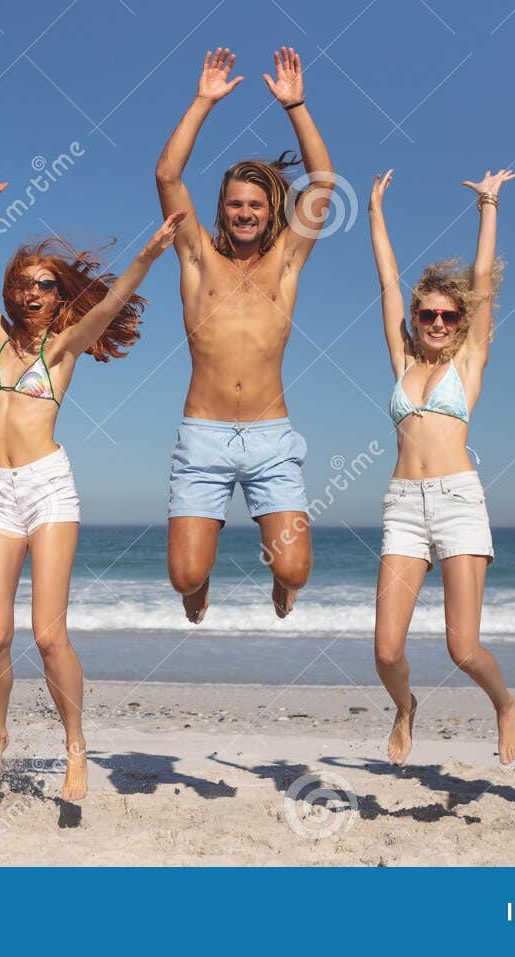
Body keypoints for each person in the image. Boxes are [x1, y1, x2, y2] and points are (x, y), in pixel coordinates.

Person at [0, 171, 183, 801]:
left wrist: (146, 254)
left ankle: (76, 747)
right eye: (25, 284)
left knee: (48, 633)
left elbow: (110, 306)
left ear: (60, 299)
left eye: (45, 285)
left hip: (47, 488)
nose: (32, 293)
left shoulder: (62, 350)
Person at [153, 46, 338, 624]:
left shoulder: (285, 263)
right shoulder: (196, 259)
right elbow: (167, 174)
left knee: (293, 569)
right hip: (204, 435)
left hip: (269, 437)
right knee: (184, 574)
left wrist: (297, 106)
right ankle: (198, 588)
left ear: (271, 209)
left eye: (255, 204)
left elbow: (324, 184)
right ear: (222, 208)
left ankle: (283, 588)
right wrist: (203, 100)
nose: (244, 212)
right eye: (234, 203)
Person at [368, 168, 515, 767]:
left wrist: (488, 205)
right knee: (385, 651)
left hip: (458, 501)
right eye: (428, 314)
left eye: (448, 317)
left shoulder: (470, 361)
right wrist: (376, 214)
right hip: (404, 505)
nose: (437, 323)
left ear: (460, 323)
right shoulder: (402, 359)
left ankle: (504, 703)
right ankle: (405, 707)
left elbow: (482, 284)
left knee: (463, 648)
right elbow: (387, 281)